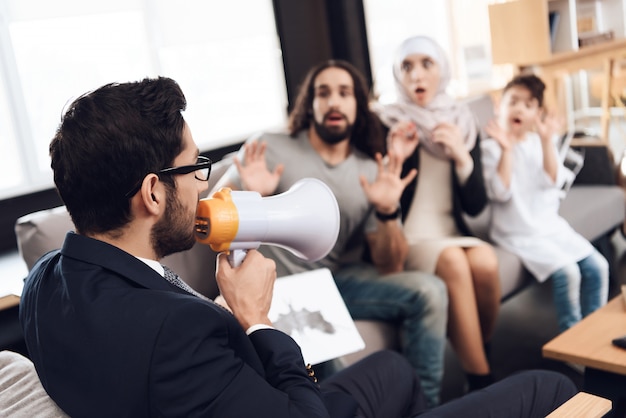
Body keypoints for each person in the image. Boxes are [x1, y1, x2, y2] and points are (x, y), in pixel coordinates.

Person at [18, 75, 577, 418]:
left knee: (392, 370)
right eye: (194, 169)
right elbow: (177, 347)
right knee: (549, 386)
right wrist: (258, 323)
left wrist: (215, 316)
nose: (202, 184)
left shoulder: (44, 280)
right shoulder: (177, 336)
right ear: (152, 194)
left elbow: (155, 347)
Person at [217, 59, 449, 407]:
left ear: (358, 105)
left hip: (332, 280)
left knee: (430, 291)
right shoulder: (269, 148)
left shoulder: (371, 169)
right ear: (310, 104)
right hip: (272, 287)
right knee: (327, 364)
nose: (334, 102)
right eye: (323, 93)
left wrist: (387, 209)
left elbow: (391, 264)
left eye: (345, 93)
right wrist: (251, 197)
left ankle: (426, 408)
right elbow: (207, 217)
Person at [373, 35, 501, 390]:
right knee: (454, 261)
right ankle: (481, 380)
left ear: (442, 70)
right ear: (398, 76)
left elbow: (476, 205)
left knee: (486, 262)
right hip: (408, 237)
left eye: (426, 64)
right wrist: (395, 154)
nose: (417, 75)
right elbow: (380, 195)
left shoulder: (461, 121)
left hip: (450, 231)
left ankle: (481, 350)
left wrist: (461, 155)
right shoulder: (385, 123)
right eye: (407, 66)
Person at [482, 74, 609, 332]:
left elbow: (553, 181)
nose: (519, 108)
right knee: (569, 273)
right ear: (499, 106)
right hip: (517, 233)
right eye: (513, 101)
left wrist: (546, 140)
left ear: (538, 113)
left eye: (528, 105)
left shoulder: (538, 142)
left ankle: (594, 332)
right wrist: (506, 150)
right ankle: (571, 339)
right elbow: (500, 192)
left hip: (550, 227)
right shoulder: (491, 149)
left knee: (599, 267)